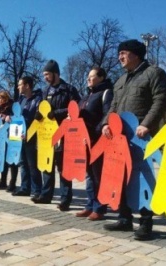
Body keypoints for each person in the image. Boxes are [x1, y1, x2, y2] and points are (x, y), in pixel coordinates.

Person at [102, 39, 166, 240]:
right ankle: (124, 219)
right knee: (120, 177)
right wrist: (107, 123)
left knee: (143, 180)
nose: (119, 57)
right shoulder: (121, 80)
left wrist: (147, 124)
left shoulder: (154, 73)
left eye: (123, 53)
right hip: (120, 139)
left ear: (136, 54)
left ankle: (146, 222)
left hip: (142, 138)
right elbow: (113, 106)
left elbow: (162, 100)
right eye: (119, 53)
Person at [32, 59, 81, 208]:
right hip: (46, 134)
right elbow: (42, 107)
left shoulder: (69, 90)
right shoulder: (45, 91)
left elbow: (75, 108)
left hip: (62, 133)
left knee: (63, 166)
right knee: (47, 165)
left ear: (55, 73)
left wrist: (57, 113)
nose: (45, 77)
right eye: (44, 75)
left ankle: (65, 198)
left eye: (47, 74)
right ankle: (46, 195)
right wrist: (38, 114)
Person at [76, 67, 113, 221]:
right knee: (89, 174)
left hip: (97, 140)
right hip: (84, 140)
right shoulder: (86, 96)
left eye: (92, 76)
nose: (88, 79)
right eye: (88, 76)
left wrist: (96, 132)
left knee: (98, 175)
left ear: (102, 77)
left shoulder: (106, 93)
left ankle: (100, 207)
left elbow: (107, 115)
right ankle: (90, 204)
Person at [12, 76, 43, 197]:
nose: (18, 87)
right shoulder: (21, 100)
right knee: (22, 163)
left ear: (27, 86)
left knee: (32, 164)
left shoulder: (38, 100)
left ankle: (36, 190)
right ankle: (25, 188)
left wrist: (29, 133)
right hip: (19, 136)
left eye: (20, 84)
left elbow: (37, 119)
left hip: (31, 137)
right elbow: (17, 115)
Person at [0, 91, 19, 190]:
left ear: (6, 99)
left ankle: (12, 183)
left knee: (11, 160)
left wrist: (10, 118)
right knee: (2, 160)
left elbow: (17, 118)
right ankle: (3, 181)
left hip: (11, 136)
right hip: (2, 137)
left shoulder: (11, 107)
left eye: (1, 98)